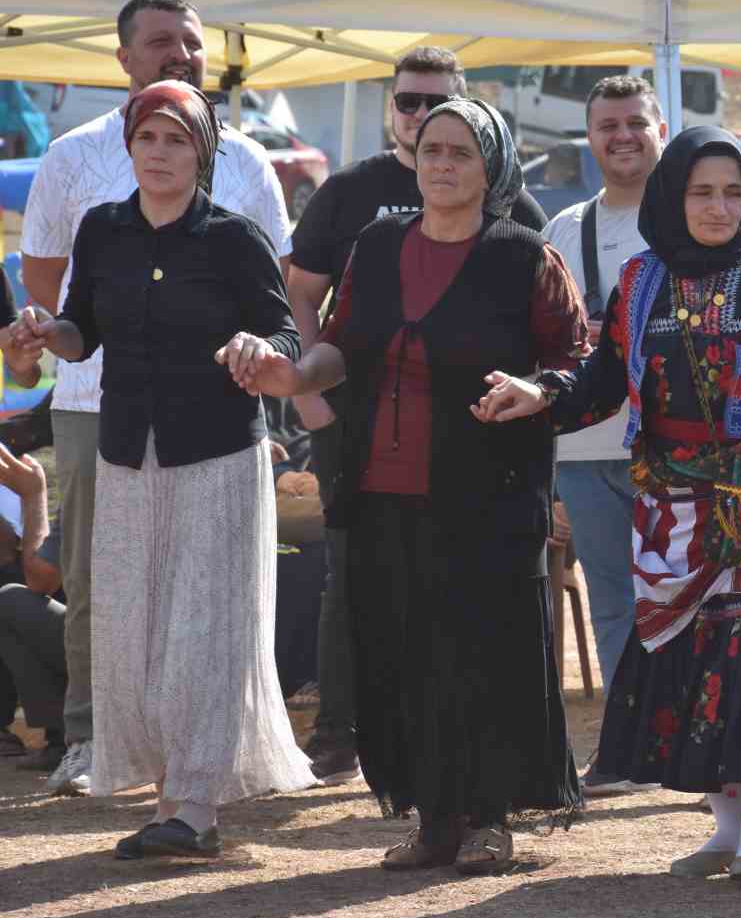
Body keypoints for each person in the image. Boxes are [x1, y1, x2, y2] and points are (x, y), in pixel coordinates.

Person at [478, 126, 741, 887]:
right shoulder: (639, 282)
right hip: (669, 505)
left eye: (733, 192)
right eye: (702, 192)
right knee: (689, 660)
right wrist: (542, 391)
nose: (719, 207)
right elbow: (603, 379)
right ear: (673, 195)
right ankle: (725, 828)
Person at [230, 98, 585, 875]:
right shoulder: (377, 245)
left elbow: (577, 360)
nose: (443, 163)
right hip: (381, 485)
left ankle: (490, 817)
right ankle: (433, 818)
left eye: (461, 150)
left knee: (483, 650)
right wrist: (296, 372)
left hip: (488, 489)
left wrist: (538, 388)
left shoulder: (526, 255)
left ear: (490, 166)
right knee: (402, 650)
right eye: (431, 149)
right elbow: (342, 347)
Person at [8, 80, 314, 858]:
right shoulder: (103, 230)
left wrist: (259, 350)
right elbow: (87, 330)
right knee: (136, 633)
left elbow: (284, 330)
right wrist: (47, 335)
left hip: (216, 453)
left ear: (201, 152)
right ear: (129, 146)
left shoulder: (234, 236)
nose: (160, 152)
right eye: (148, 138)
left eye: (177, 139)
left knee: (205, 631)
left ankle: (194, 807)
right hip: (127, 454)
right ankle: (172, 793)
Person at [284, 46, 547, 787]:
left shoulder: (512, 212)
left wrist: (533, 394)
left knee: (469, 595)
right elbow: (301, 289)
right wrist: (309, 389)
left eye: (439, 106)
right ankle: (342, 733)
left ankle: (485, 776)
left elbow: (551, 330)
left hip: (472, 443)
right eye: (409, 105)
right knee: (356, 580)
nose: (423, 122)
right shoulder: (351, 197)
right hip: (362, 428)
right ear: (390, 109)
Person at [540, 76, 666, 797]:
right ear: (589, 137)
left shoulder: (692, 214)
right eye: (607, 125)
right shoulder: (565, 229)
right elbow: (544, 348)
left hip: (674, 443)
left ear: (659, 128)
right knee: (616, 602)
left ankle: (693, 742)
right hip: (586, 446)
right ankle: (629, 746)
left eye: (634, 123)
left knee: (686, 596)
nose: (622, 136)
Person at [0, 443, 66, 771]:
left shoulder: (96, 485)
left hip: (123, 648)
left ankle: (69, 737)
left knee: (11, 598)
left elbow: (40, 579)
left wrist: (33, 496)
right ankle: (64, 737)